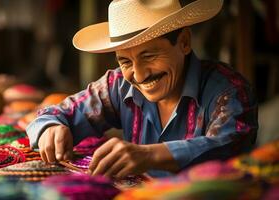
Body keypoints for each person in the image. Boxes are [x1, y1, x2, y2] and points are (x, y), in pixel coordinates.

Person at [26, 0, 258, 178]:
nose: (139, 74)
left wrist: (150, 155)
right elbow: (53, 115)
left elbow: (229, 145)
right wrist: (51, 127)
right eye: (125, 61)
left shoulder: (229, 90)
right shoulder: (118, 85)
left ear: (185, 42)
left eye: (149, 55)